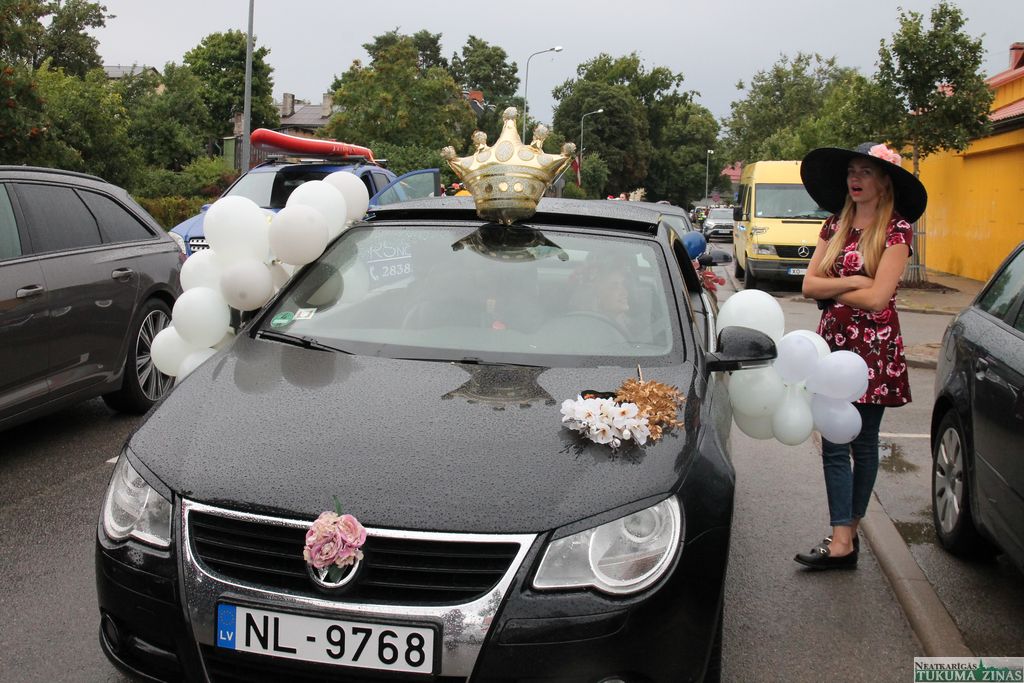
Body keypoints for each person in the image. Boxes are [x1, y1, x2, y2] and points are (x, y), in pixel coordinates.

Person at [795, 142, 927, 570]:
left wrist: (839, 287)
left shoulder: (897, 231)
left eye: (866, 172)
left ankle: (847, 533)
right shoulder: (834, 225)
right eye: (852, 171)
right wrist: (854, 280)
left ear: (884, 182)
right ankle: (842, 538)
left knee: (864, 442)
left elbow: (877, 300)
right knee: (835, 441)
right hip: (833, 346)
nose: (855, 178)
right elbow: (809, 286)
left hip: (874, 349)